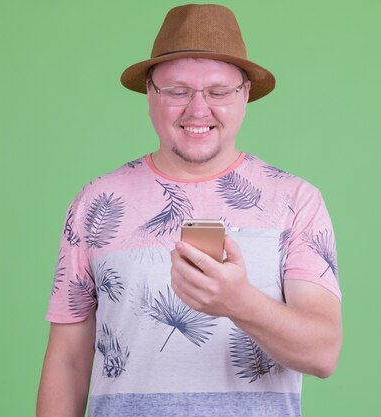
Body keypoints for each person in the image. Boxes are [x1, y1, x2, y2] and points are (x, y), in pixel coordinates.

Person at [37, 4, 342, 417]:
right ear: (150, 93)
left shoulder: (294, 200)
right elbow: (68, 361)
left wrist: (239, 302)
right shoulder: (96, 203)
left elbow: (323, 353)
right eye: (177, 91)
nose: (198, 110)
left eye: (218, 91)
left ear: (245, 94)